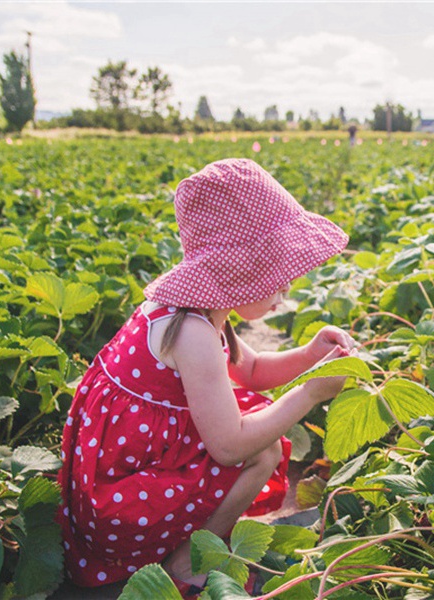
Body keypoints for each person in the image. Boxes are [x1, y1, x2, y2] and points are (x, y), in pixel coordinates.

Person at [57, 159, 353, 595]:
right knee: (262, 448)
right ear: (240, 271)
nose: (286, 289)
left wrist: (311, 356)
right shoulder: (191, 331)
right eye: (277, 276)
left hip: (135, 458)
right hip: (118, 497)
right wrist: (309, 394)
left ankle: (189, 543)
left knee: (253, 413)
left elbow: (250, 372)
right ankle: (189, 561)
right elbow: (229, 446)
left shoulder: (201, 309)